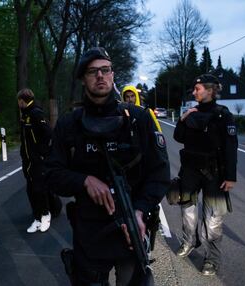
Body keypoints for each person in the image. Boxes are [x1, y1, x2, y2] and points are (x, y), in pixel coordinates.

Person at [45, 47, 170, 285]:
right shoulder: (69, 124)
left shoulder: (138, 120)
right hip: (89, 232)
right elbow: (50, 174)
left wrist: (140, 210)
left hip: (131, 227)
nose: (100, 76)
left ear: (113, 75)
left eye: (105, 70)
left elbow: (160, 173)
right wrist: (83, 181)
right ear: (84, 78)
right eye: (93, 72)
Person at [173, 74, 238, 275]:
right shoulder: (191, 113)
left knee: (213, 220)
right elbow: (178, 137)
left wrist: (230, 176)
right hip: (190, 171)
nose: (194, 92)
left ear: (210, 90)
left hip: (215, 174)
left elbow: (230, 147)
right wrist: (183, 120)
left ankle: (212, 258)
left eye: (198, 89)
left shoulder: (223, 115)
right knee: (187, 213)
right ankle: (189, 242)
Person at [18, 88, 54, 233]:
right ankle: (37, 217)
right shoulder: (25, 114)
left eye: (18, 101)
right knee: (30, 189)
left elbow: (48, 134)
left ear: (22, 100)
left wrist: (42, 153)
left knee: (40, 188)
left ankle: (46, 214)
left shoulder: (36, 113)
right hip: (27, 159)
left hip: (37, 159)